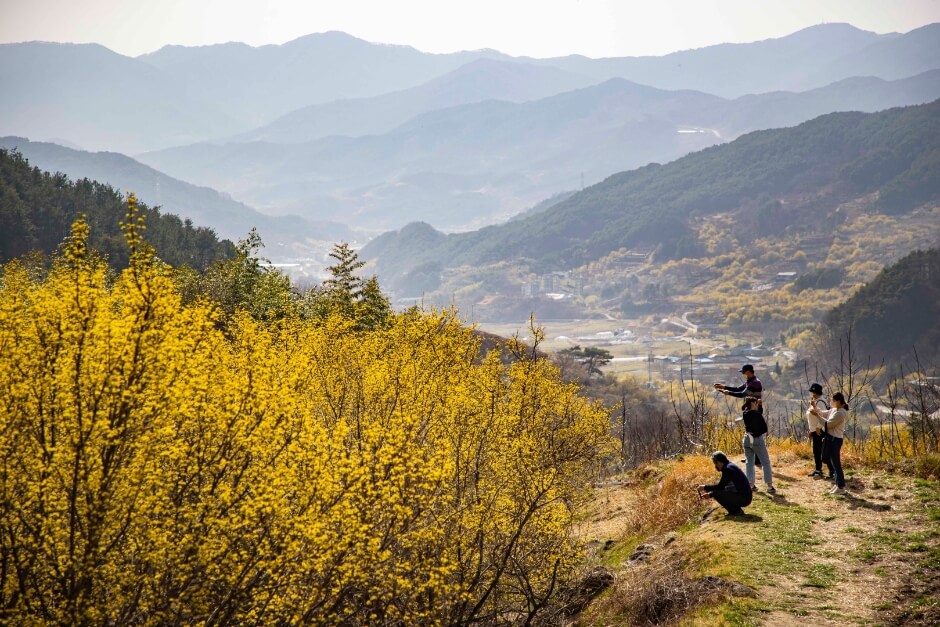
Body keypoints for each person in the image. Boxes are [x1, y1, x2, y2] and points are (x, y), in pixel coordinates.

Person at [698, 451, 753, 516]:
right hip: (746, 497)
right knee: (715, 492)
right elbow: (723, 487)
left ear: (718, 462)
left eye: (715, 463)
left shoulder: (727, 469)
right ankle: (736, 510)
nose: (715, 466)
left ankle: (735, 511)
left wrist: (704, 487)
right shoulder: (730, 466)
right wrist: (710, 494)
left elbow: (720, 487)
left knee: (716, 493)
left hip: (744, 498)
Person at [740, 396, 775, 492]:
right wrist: (756, 434)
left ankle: (750, 485)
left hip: (747, 439)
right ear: (753, 403)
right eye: (755, 403)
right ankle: (769, 486)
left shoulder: (745, 414)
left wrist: (759, 406)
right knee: (765, 462)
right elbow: (764, 429)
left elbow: (756, 413)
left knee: (749, 462)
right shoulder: (757, 415)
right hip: (757, 440)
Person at [806, 383, 834, 479]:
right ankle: (818, 469)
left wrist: (818, 427)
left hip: (819, 429)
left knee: (822, 451)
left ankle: (832, 470)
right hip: (814, 429)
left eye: (815, 392)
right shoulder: (815, 401)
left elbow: (822, 416)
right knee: (816, 451)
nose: (813, 394)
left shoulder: (820, 402)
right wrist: (811, 430)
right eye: (812, 392)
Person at [824, 392, 849, 495]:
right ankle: (838, 483)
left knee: (836, 463)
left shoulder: (841, 413)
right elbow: (824, 413)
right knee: (833, 462)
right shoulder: (836, 410)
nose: (831, 402)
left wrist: (817, 417)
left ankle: (841, 486)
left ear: (838, 401)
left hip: (836, 440)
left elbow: (828, 425)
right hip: (832, 439)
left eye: (833, 400)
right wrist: (815, 409)